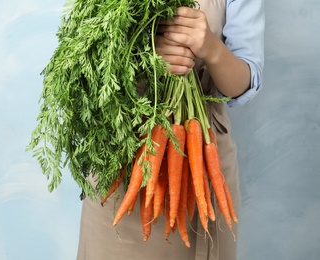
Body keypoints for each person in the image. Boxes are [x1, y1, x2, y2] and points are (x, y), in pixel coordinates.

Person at [76, 0, 264, 259]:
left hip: (203, 155)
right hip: (121, 156)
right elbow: (82, 65)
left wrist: (212, 49)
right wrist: (142, 56)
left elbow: (243, 84)